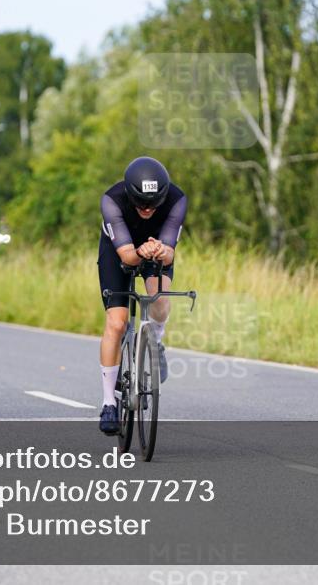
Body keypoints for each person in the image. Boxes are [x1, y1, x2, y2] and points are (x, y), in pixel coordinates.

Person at [97, 157, 187, 435]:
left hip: (156, 248)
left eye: (153, 205)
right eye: (141, 204)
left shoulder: (176, 199)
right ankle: (108, 402)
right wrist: (139, 253)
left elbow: (171, 252)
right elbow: (126, 256)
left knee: (159, 298)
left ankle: (156, 340)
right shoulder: (112, 200)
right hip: (120, 252)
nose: (147, 210)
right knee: (117, 322)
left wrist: (160, 250)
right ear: (129, 195)